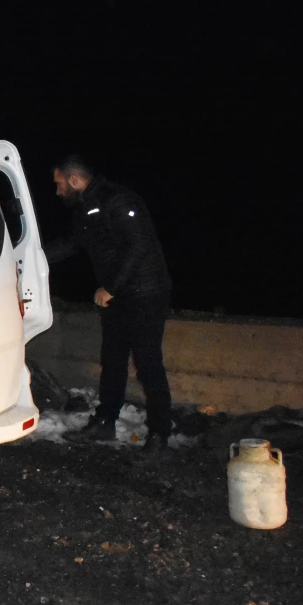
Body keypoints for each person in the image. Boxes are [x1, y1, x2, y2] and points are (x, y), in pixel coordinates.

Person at [44, 156, 174, 455]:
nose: (58, 191)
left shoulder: (119, 200)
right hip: (118, 297)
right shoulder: (85, 210)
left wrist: (112, 288)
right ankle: (104, 422)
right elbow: (71, 243)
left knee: (148, 365)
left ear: (75, 180)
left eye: (60, 184)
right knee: (113, 361)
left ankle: (159, 436)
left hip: (145, 294)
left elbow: (139, 245)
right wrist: (29, 257)